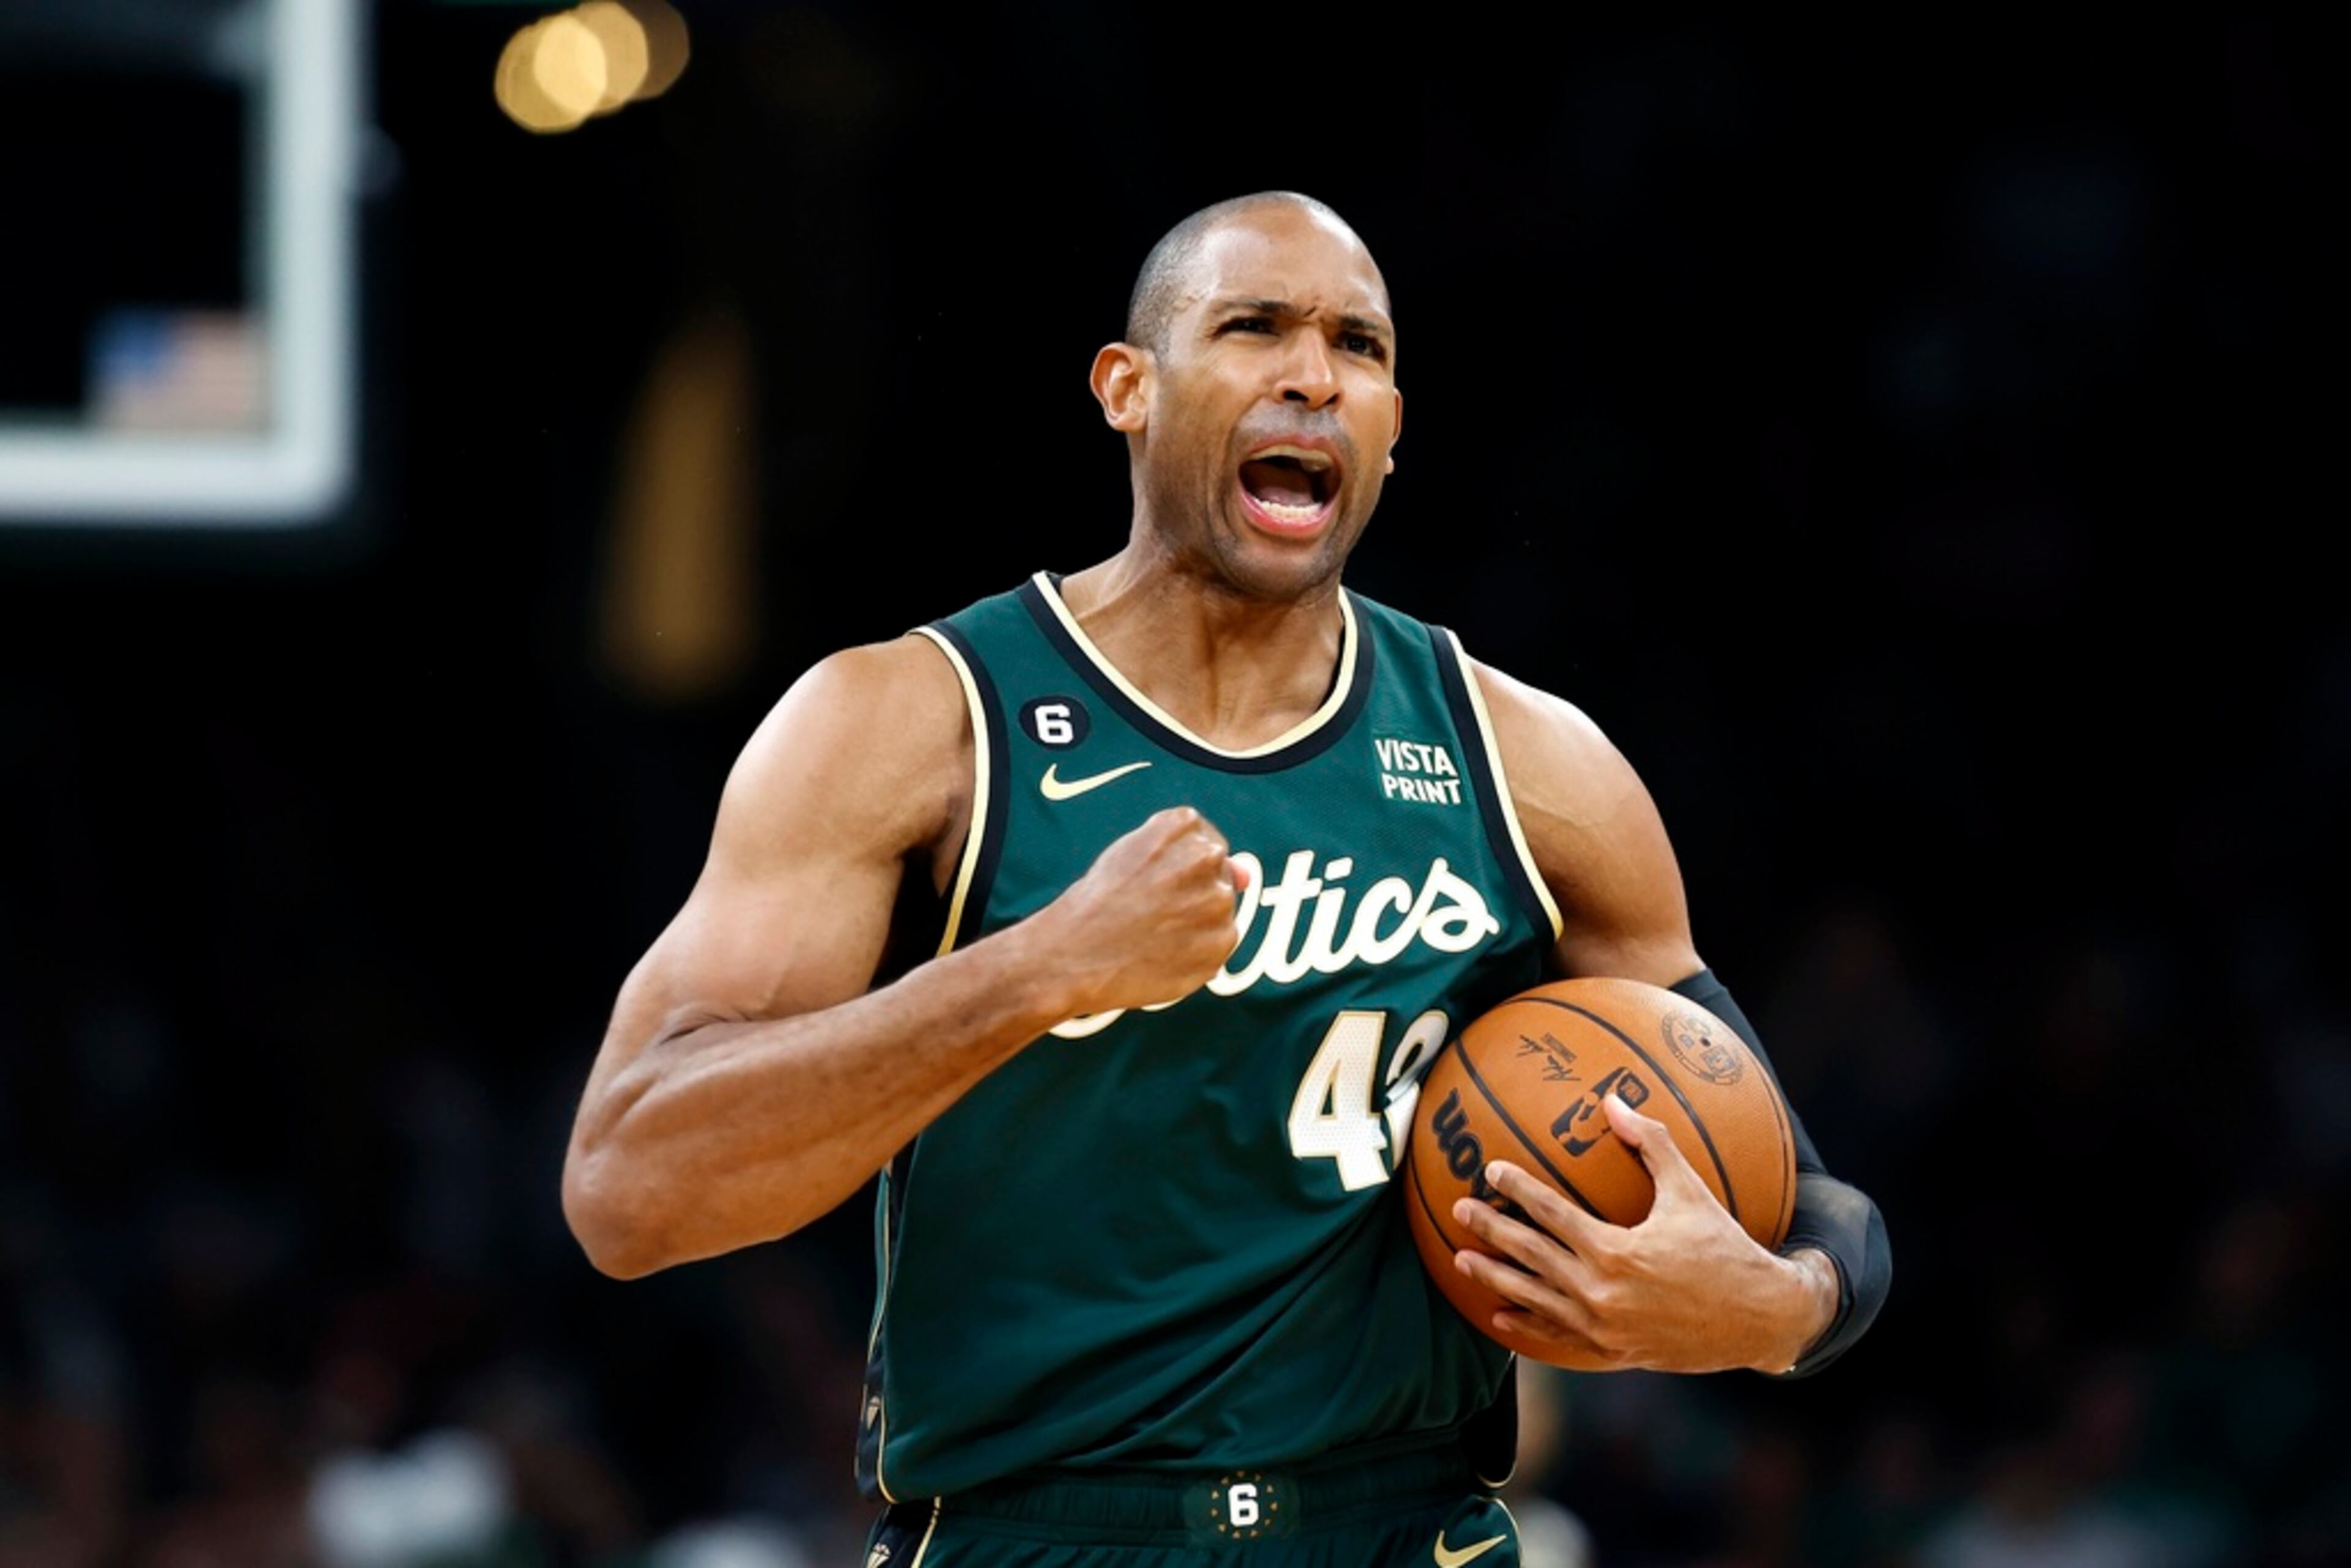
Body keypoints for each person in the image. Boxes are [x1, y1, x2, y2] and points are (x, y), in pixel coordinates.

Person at [561, 190, 1891, 1566]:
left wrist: (1768, 1310)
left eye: (1358, 348)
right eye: (1255, 327)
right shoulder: (912, 723)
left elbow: (1809, 1197)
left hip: (1404, 1525)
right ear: (1128, 389)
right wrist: (1034, 971)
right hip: (1038, 1528)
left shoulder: (1530, 763)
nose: (1314, 375)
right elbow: (628, 1188)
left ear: (1390, 427)